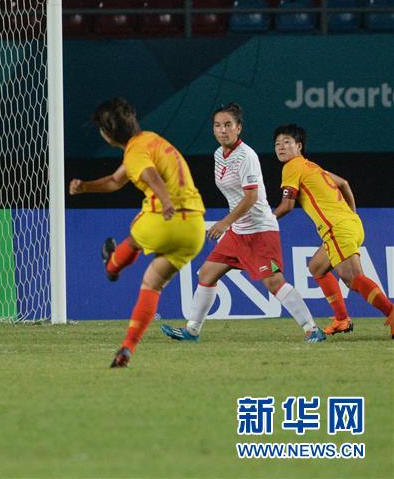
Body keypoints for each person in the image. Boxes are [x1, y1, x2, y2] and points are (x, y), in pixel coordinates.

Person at [159, 104, 325, 343]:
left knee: (274, 282)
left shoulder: (246, 156)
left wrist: (224, 223)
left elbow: (251, 197)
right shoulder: (219, 155)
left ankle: (312, 329)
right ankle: (192, 331)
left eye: (228, 125)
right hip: (239, 231)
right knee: (207, 273)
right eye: (218, 125)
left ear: (238, 128)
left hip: (260, 230)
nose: (222, 130)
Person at [69, 98, 205, 368]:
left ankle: (112, 264)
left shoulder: (134, 154)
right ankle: (127, 347)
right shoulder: (151, 141)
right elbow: (114, 181)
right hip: (194, 228)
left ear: (107, 134)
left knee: (135, 234)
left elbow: (150, 174)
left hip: (164, 218)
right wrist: (85, 186)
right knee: (152, 283)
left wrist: (165, 200)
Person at [273, 124, 393, 339]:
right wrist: (352, 215)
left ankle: (391, 312)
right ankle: (341, 319)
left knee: (353, 279)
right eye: (277, 144)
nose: (281, 147)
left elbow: (287, 205)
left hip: (337, 229)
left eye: (286, 142)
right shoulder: (314, 167)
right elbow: (344, 183)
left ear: (299, 146)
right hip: (350, 225)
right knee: (317, 267)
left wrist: (266, 221)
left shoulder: (292, 166)